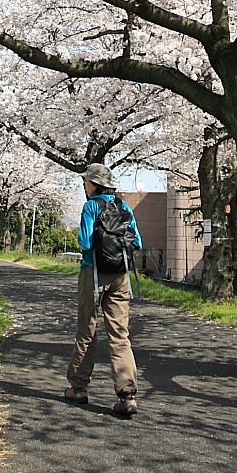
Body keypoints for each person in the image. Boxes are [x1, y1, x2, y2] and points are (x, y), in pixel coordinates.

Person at [64, 162, 143, 418]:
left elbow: (85, 242)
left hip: (93, 273)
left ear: (94, 184)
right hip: (121, 276)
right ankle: (127, 395)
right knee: (120, 334)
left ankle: (78, 387)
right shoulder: (124, 206)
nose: (84, 185)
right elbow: (138, 242)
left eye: (86, 181)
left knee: (87, 330)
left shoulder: (90, 206)